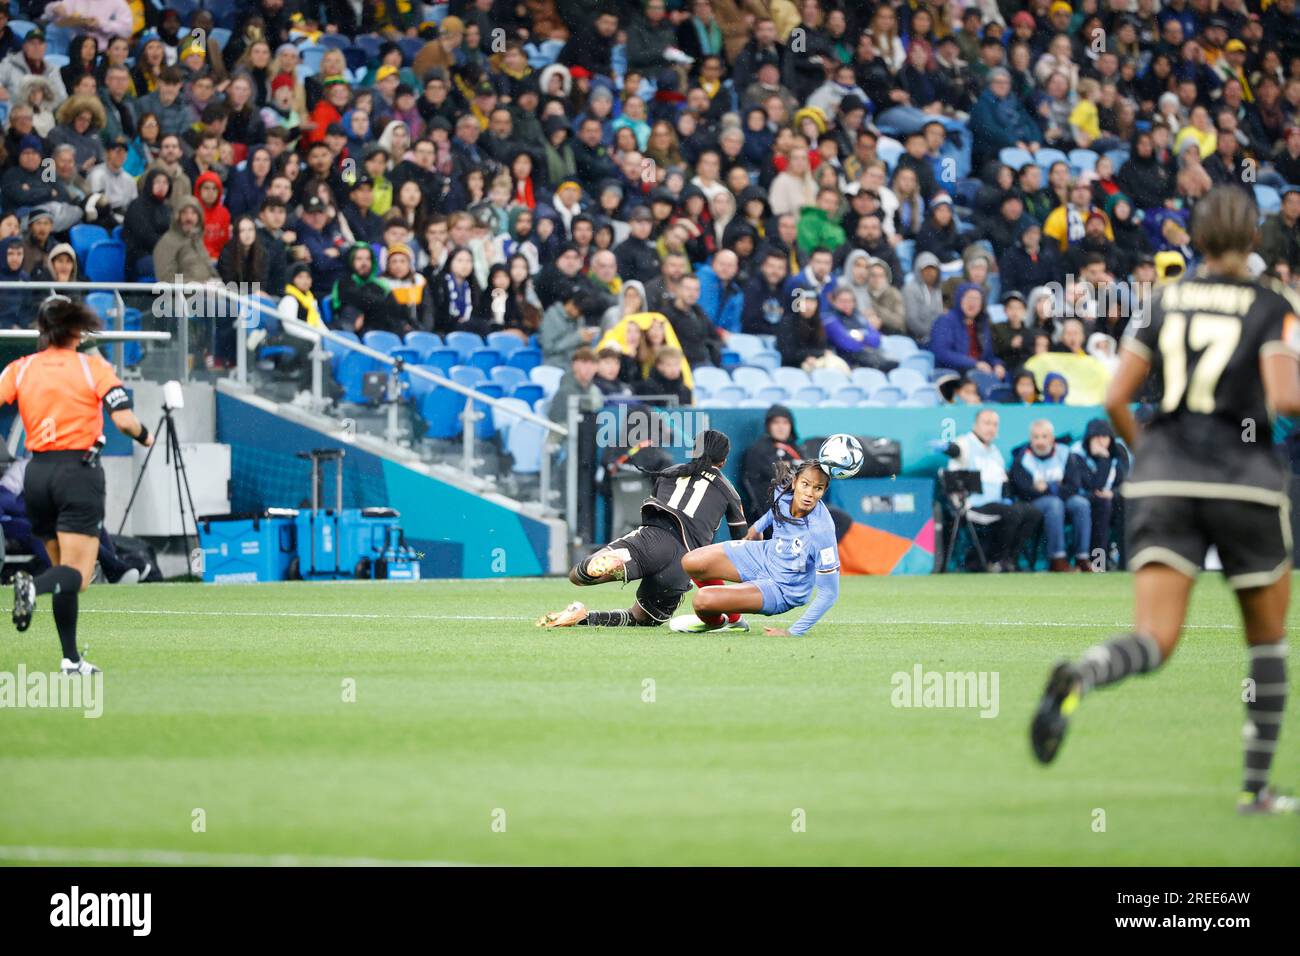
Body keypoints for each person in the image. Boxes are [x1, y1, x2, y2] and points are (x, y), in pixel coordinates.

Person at [1031, 187, 1300, 815]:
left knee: (1153, 638)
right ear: (1254, 242)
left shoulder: (1162, 300)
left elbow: (1115, 396)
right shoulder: (1271, 303)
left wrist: (1148, 451)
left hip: (1164, 478)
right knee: (1266, 644)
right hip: (1242, 480)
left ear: (1197, 241)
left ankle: (1084, 674)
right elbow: (1286, 397)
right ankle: (1255, 790)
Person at [0, 298, 153, 674]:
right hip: (77, 473)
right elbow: (124, 421)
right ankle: (32, 587)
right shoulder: (93, 367)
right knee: (79, 575)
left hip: (35, 476)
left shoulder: (19, 369)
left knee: (63, 573)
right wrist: (146, 436)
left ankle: (70, 660)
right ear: (75, 330)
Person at [535, 429, 748, 630]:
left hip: (651, 540)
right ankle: (584, 618)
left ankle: (604, 565)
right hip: (683, 563)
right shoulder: (729, 491)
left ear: (693, 451)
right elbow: (741, 541)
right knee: (642, 618)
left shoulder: (669, 472)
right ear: (724, 460)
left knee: (577, 575)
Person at [670, 456, 840, 636]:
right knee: (691, 561)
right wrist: (757, 528)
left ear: (824, 491)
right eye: (805, 484)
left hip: (783, 588)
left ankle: (716, 621)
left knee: (702, 601)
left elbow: (829, 593)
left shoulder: (821, 531)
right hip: (764, 555)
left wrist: (793, 632)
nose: (809, 494)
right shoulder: (783, 492)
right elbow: (774, 511)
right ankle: (734, 622)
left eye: (818, 488)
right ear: (795, 482)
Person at [936, 409, 1044, 572]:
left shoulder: (995, 452)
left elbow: (1003, 480)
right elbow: (955, 450)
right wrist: (947, 447)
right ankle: (995, 559)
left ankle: (1009, 558)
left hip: (996, 504)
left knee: (1032, 513)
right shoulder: (965, 442)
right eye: (986, 423)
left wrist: (1007, 497)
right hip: (972, 505)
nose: (991, 428)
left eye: (995, 424)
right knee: (1011, 513)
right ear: (975, 425)